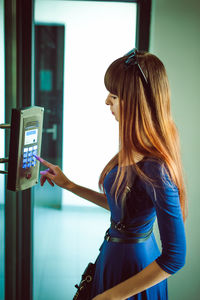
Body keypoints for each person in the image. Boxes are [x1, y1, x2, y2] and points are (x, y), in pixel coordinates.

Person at [36, 49, 187, 300]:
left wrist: (111, 296)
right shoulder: (133, 149)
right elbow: (124, 209)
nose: (107, 101)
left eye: (114, 96)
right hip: (114, 257)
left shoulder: (156, 168)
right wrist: (69, 185)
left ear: (136, 102)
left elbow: (175, 258)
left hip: (134, 273)